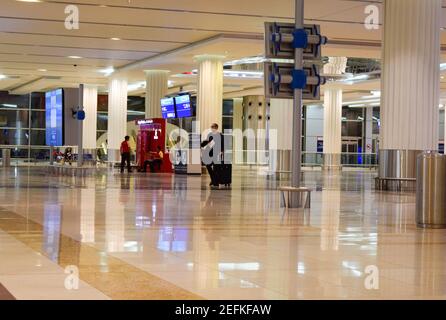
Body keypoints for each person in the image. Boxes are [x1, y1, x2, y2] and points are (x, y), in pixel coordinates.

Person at [201, 123, 224, 189]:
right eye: (211, 127)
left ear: (216, 128)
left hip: (217, 154)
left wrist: (222, 151)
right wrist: (203, 144)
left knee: (216, 168)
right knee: (208, 166)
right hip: (210, 154)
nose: (212, 128)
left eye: (213, 127)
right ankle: (213, 179)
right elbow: (208, 143)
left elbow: (223, 144)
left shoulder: (221, 135)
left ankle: (215, 182)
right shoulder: (210, 135)